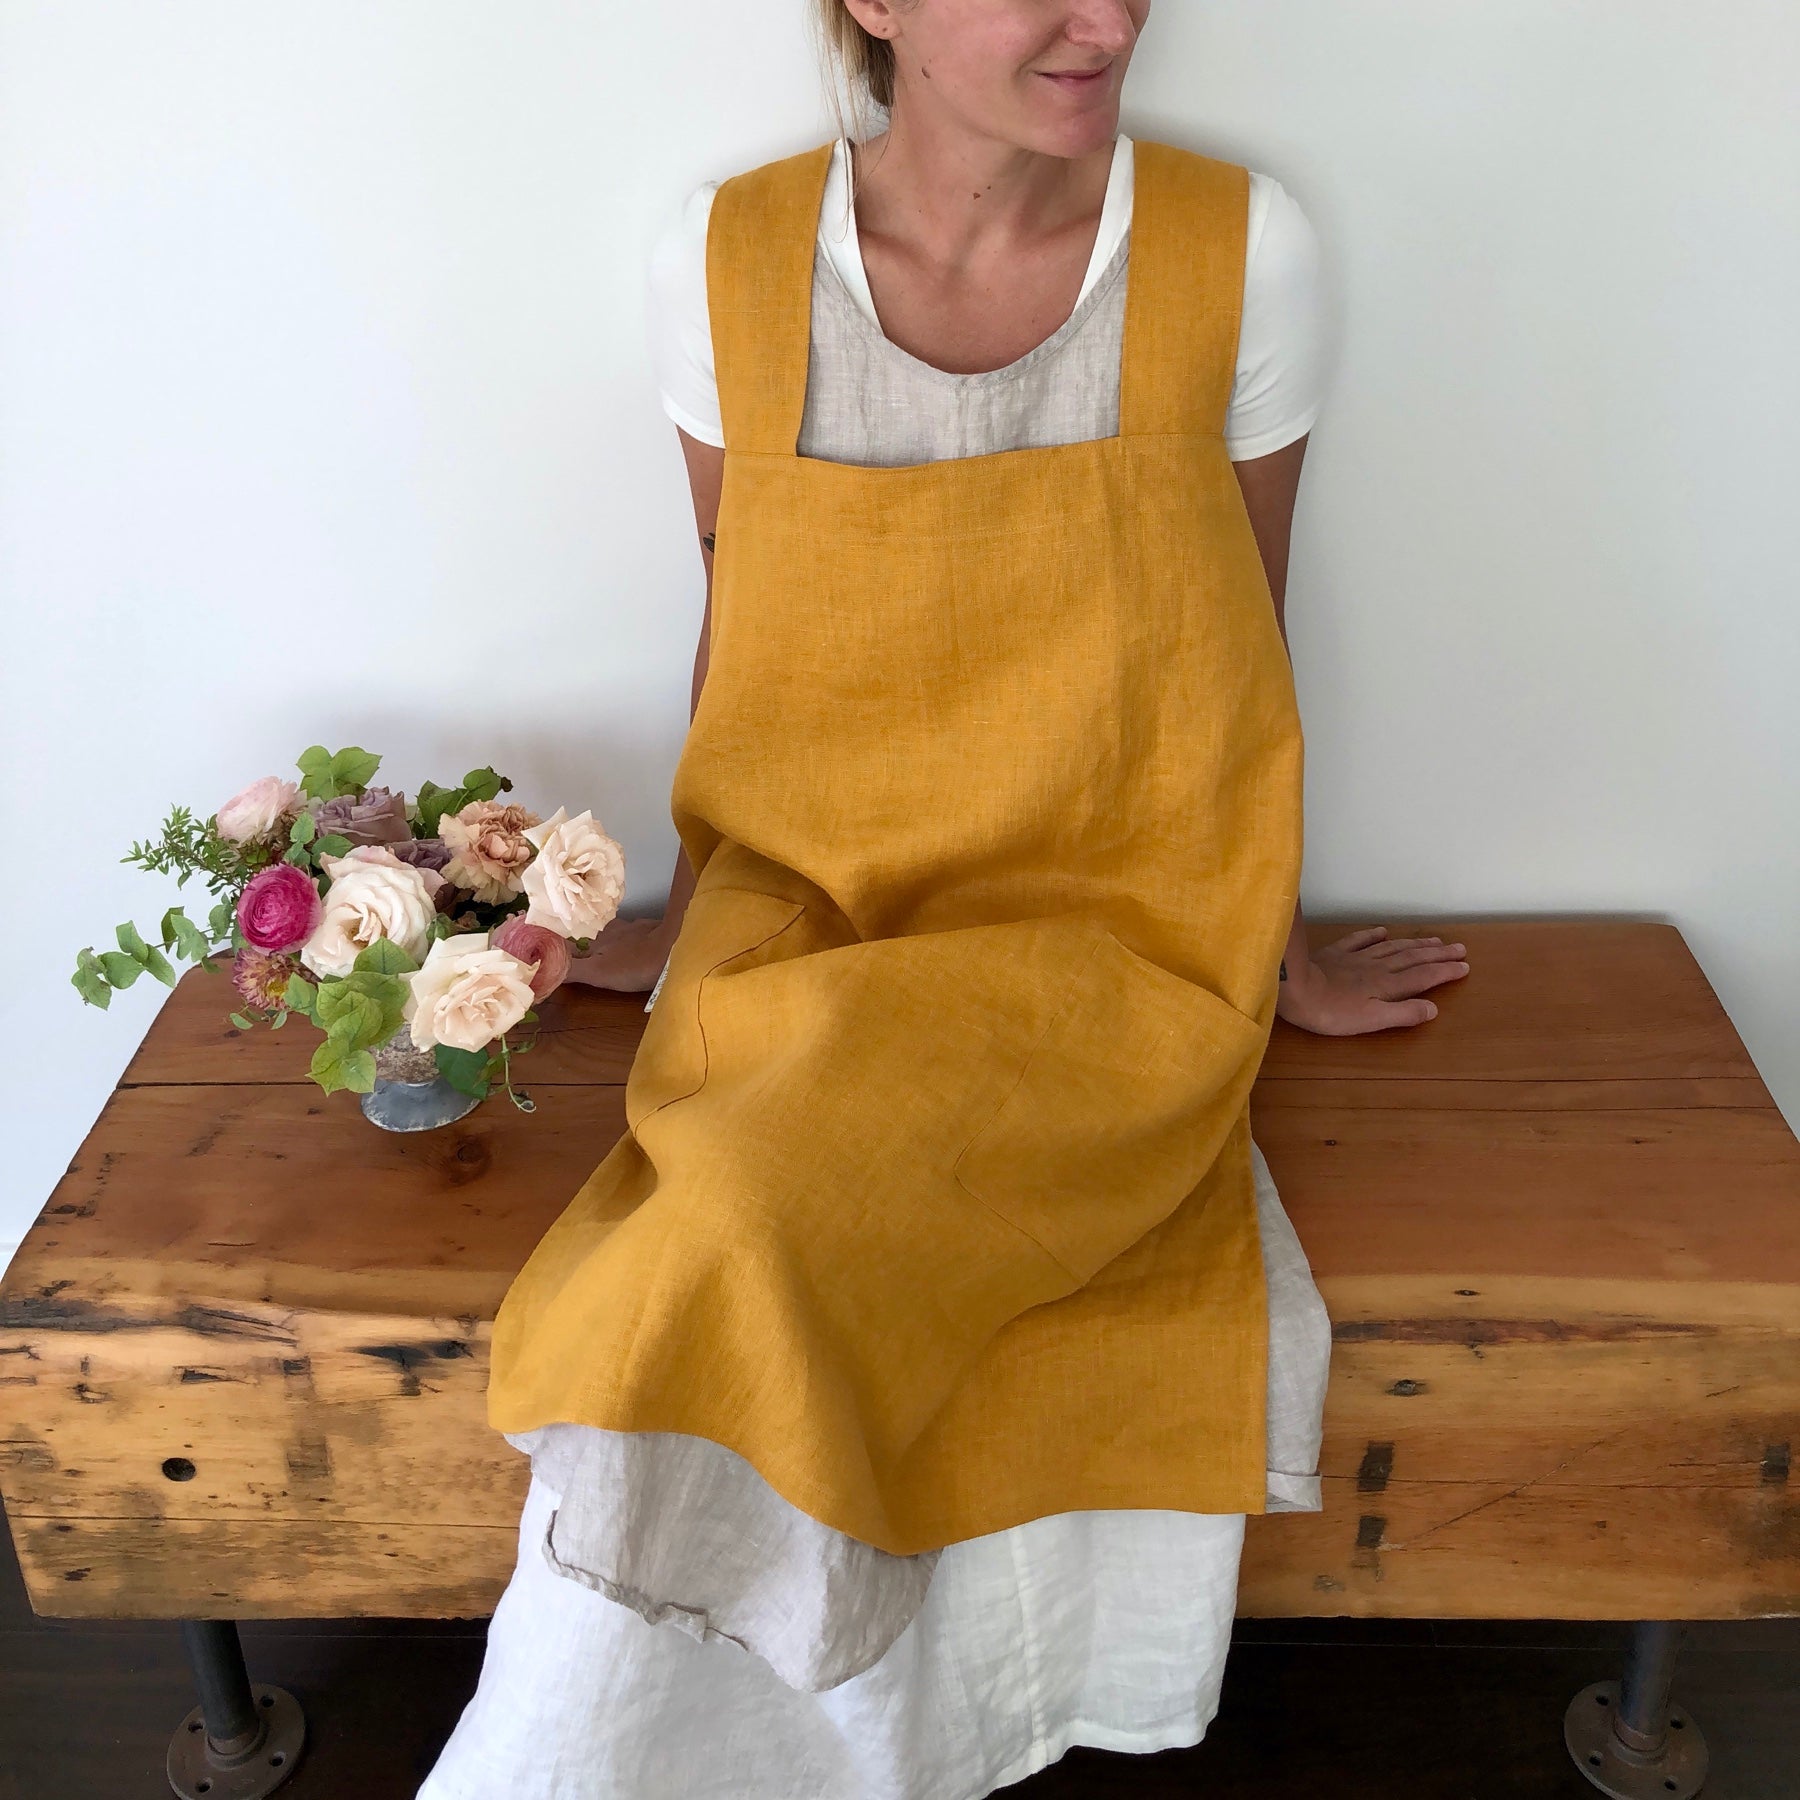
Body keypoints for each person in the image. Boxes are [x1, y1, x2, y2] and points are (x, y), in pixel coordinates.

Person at [419, 4, 1470, 1796]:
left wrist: (1268, 942)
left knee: (745, 1210)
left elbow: (1244, 631)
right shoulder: (733, 255)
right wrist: (676, 912)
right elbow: (741, 606)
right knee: (748, 1192)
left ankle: (591, 1755)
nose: (1111, 18)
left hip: (1123, 940)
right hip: (810, 915)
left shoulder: (1237, 248)